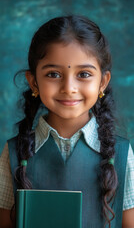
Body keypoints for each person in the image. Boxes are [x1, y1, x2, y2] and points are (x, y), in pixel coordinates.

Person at [0, 15, 134, 228]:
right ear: (34, 82)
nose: (69, 88)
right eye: (53, 74)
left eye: (83, 74)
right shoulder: (15, 152)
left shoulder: (122, 153)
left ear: (102, 82)